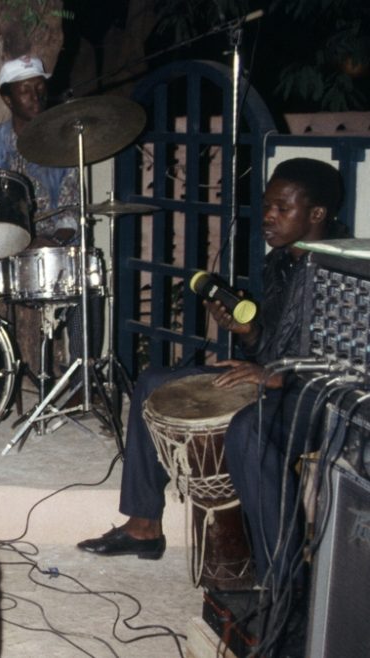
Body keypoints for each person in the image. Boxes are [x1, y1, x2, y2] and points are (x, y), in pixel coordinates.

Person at [77, 158, 347, 588]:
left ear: (316, 214)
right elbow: (271, 345)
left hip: (315, 401)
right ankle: (143, 525)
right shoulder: (280, 261)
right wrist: (249, 333)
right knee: (151, 384)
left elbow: (345, 367)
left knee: (248, 430)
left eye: (282, 208)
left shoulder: (342, 271)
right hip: (271, 379)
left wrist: (279, 374)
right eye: (266, 206)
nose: (269, 217)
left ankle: (286, 582)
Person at [0, 55, 100, 388]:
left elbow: (72, 211)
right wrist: (9, 239)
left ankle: (82, 380)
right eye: (25, 91)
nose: (36, 96)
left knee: (87, 276)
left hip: (47, 249)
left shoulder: (64, 144)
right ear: (7, 98)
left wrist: (56, 241)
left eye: (40, 88)